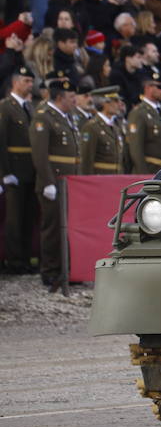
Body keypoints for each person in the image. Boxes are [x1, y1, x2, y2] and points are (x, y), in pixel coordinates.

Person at [30, 75, 82, 290]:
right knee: (52, 228)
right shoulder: (44, 117)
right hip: (53, 182)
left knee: (66, 228)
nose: (75, 101)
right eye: (71, 97)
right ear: (60, 97)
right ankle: (50, 271)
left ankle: (65, 269)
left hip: (68, 182)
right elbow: (40, 154)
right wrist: (47, 182)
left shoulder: (66, 117)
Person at [0, 65, 37, 274]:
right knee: (14, 219)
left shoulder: (30, 107)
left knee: (27, 217)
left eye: (31, 81)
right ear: (15, 82)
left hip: (30, 170)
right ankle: (14, 260)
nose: (29, 85)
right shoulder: (5, 107)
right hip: (14, 169)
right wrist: (4, 172)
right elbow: (1, 141)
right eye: (26, 81)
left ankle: (24, 258)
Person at [126, 67, 161, 173]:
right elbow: (136, 147)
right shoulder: (139, 112)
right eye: (160, 87)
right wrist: (142, 173)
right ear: (148, 88)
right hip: (151, 168)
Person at [79, 86, 127, 175]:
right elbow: (86, 159)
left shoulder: (116, 127)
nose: (119, 104)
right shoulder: (92, 127)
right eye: (116, 101)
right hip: (100, 178)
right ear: (105, 103)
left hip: (116, 178)